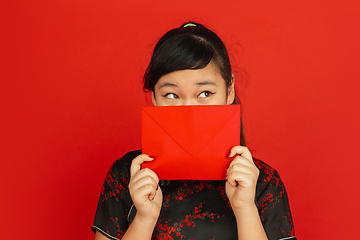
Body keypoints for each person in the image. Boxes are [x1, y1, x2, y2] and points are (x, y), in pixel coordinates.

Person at [92, 22, 296, 240]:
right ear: (153, 97)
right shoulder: (128, 176)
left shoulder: (263, 182)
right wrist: (144, 219)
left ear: (229, 91)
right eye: (171, 95)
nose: (189, 110)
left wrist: (245, 210)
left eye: (205, 93)